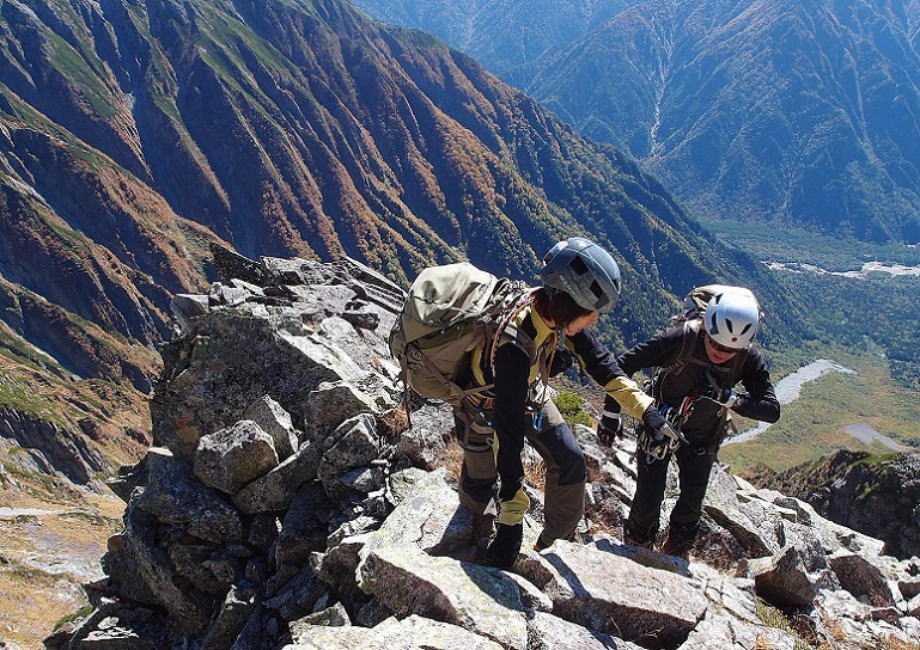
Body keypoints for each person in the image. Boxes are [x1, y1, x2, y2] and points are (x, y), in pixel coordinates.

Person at [455, 237, 668, 568]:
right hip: (484, 404)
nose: (595, 320)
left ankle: (552, 551)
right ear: (571, 303)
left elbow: (599, 361)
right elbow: (507, 431)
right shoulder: (515, 343)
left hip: (525, 393)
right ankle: (473, 541)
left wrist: (647, 411)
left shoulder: (553, 311)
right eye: (591, 312)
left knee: (570, 461)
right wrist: (512, 515)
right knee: (481, 481)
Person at [598, 286, 780, 557]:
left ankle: (677, 554)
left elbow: (771, 410)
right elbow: (623, 365)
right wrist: (611, 415)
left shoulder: (747, 357)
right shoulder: (681, 338)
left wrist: (729, 398)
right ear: (706, 327)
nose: (721, 352)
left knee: (692, 502)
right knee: (649, 495)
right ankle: (637, 551)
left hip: (703, 433)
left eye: (730, 349)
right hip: (660, 424)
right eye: (716, 344)